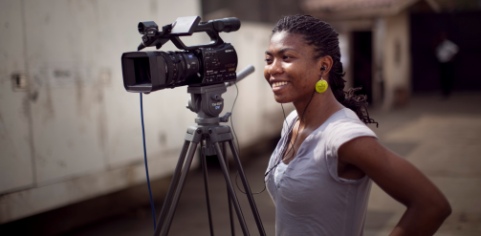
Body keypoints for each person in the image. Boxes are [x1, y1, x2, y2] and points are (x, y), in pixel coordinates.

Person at [263, 14, 451, 236]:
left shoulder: (344, 137)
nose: (273, 69)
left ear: (323, 66)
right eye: (269, 59)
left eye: (286, 57)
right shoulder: (292, 121)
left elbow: (431, 206)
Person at [435, 31, 459, 98]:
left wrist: (451, 58)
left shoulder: (449, 44)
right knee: (442, 77)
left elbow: (456, 50)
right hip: (441, 62)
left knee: (448, 77)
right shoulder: (439, 44)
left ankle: (448, 91)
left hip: (447, 63)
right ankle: (444, 91)